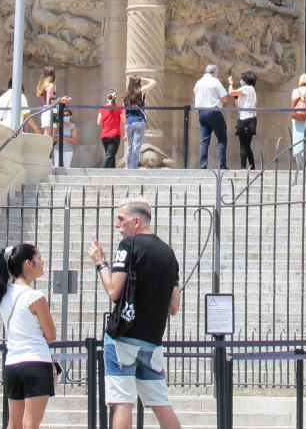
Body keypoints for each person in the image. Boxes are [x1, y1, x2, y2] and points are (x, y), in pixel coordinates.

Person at [86, 198, 182, 429]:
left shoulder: (128, 246)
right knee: (160, 402)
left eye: (121, 219)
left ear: (136, 221)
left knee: (122, 402)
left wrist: (101, 263)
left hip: (124, 336)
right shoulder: (168, 253)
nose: (117, 225)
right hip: (152, 338)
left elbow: (113, 291)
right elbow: (174, 306)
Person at [0, 243, 56, 429]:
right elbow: (51, 335)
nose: (42, 262)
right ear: (28, 263)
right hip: (36, 362)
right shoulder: (35, 297)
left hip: (13, 363)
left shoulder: (3, 295)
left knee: (14, 423)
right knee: (31, 423)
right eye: (39, 258)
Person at [193, 64, 230, 168]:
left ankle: (203, 165)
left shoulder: (198, 83)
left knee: (204, 140)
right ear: (215, 72)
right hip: (213, 111)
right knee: (222, 138)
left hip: (201, 112)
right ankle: (222, 165)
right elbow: (225, 98)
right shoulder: (215, 81)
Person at [123, 75, 157, 169]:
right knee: (136, 146)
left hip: (129, 122)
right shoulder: (140, 92)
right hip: (139, 121)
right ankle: (133, 167)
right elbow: (153, 82)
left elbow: (124, 111)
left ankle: (127, 167)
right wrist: (143, 78)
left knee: (129, 146)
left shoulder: (126, 95)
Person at [229, 71, 259, 170]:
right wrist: (236, 99)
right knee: (247, 144)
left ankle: (243, 167)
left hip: (244, 119)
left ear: (245, 80)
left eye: (242, 79)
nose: (241, 81)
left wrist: (230, 84)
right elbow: (239, 106)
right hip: (251, 118)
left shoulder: (246, 88)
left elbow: (231, 92)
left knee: (243, 144)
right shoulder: (252, 90)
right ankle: (252, 166)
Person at [98, 89, 123, 169]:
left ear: (107, 98)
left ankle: (112, 171)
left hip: (104, 135)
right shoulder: (119, 107)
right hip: (114, 134)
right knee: (110, 155)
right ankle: (101, 170)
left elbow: (98, 122)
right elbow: (123, 120)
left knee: (110, 155)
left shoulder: (102, 108)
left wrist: (106, 122)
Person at [36, 66, 58, 138]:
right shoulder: (51, 85)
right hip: (50, 111)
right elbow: (49, 101)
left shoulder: (44, 86)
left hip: (46, 111)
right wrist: (60, 100)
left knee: (48, 137)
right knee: (49, 138)